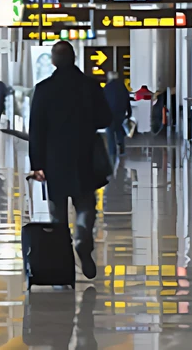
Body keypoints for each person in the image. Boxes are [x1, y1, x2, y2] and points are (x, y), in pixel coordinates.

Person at [29, 41, 111, 279]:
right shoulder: (90, 86)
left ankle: (61, 263)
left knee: (57, 214)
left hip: (54, 160)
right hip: (85, 156)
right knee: (85, 204)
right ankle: (82, 240)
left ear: (53, 61)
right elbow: (105, 119)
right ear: (74, 59)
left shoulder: (44, 89)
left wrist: (37, 165)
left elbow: (37, 129)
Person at [104, 71, 132, 161]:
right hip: (121, 112)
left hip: (109, 113)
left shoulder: (107, 87)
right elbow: (127, 100)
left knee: (110, 132)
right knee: (119, 129)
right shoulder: (122, 86)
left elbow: (103, 101)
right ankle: (122, 149)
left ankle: (112, 152)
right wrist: (129, 112)